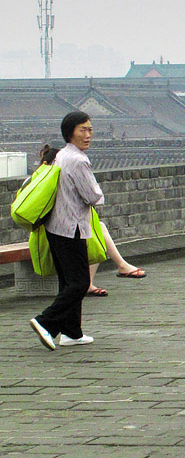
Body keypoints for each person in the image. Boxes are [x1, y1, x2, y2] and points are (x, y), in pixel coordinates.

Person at [30, 112, 104, 350]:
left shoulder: (61, 155)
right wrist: (99, 195)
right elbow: (93, 196)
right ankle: (45, 321)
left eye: (90, 130)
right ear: (70, 131)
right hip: (71, 227)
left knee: (68, 281)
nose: (88, 135)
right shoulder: (78, 160)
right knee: (80, 282)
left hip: (56, 226)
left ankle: (72, 332)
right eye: (83, 129)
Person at [38, 145, 146, 298]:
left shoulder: (46, 179)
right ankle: (118, 267)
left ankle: (109, 272)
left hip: (58, 229)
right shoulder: (49, 181)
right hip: (54, 232)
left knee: (93, 229)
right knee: (93, 230)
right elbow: (93, 197)